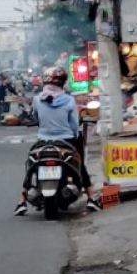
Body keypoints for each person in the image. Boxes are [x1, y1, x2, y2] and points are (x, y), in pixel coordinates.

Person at [14, 65, 100, 215]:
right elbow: (74, 124)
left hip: (43, 141)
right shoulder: (68, 100)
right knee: (80, 165)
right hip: (66, 140)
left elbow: (36, 118)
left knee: (31, 165)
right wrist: (75, 135)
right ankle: (91, 197)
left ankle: (22, 200)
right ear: (62, 82)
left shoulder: (37, 100)